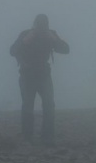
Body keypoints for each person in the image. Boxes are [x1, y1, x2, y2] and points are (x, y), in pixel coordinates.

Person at [10, 14, 70, 146]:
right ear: (35, 24)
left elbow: (66, 49)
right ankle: (27, 137)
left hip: (43, 75)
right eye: (40, 24)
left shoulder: (50, 34)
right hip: (27, 74)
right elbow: (12, 51)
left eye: (44, 24)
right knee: (28, 106)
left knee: (48, 105)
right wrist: (25, 40)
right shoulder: (26, 34)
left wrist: (53, 39)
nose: (42, 27)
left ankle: (47, 137)